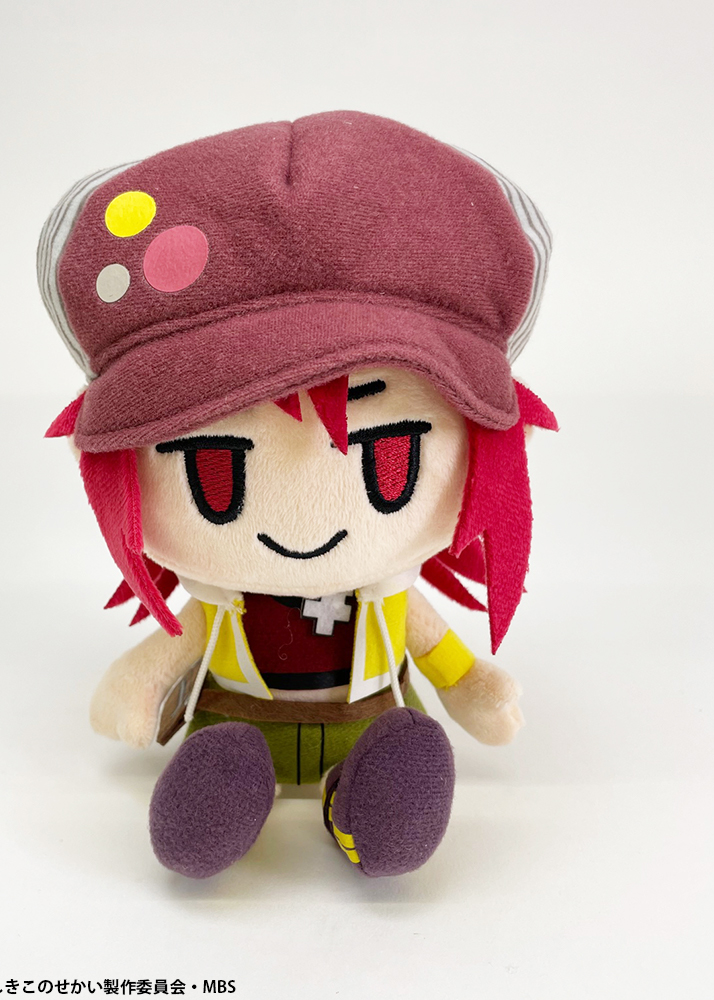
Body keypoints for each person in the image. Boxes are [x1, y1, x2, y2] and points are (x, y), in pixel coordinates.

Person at [38, 111, 556, 878]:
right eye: (215, 472)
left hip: (368, 723)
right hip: (234, 720)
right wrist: (138, 686)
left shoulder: (389, 598)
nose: (307, 522)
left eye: (389, 460)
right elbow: (174, 646)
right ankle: (226, 785)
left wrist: (475, 688)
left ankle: (370, 798)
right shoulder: (219, 603)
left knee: (399, 766)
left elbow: (437, 652)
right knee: (220, 774)